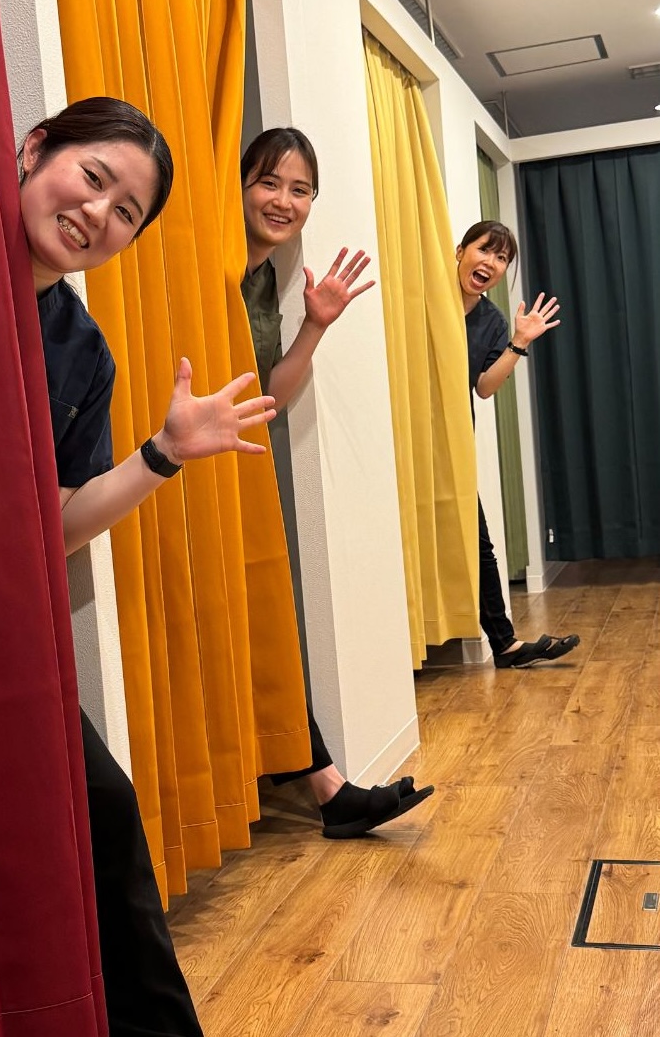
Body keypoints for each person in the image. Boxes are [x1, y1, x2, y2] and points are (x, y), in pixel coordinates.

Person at [19, 97, 278, 1037]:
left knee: (102, 808)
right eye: (93, 178)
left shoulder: (80, 352)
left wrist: (162, 455)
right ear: (33, 148)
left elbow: (53, 526)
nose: (98, 214)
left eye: (125, 212)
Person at [240, 127, 435, 839]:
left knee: (263, 626)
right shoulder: (209, 266)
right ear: (237, 186)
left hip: (235, 467)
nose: (283, 201)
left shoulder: (267, 278)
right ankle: (327, 792)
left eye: (300, 190)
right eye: (268, 182)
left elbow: (270, 396)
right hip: (182, 472)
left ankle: (327, 790)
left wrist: (315, 325)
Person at [456, 219, 580, 669]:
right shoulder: (426, 298)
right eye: (484, 249)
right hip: (405, 436)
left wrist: (519, 342)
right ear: (459, 251)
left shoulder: (491, 320)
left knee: (478, 543)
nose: (491, 262)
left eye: (501, 257)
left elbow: (485, 387)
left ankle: (505, 645)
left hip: (451, 442)